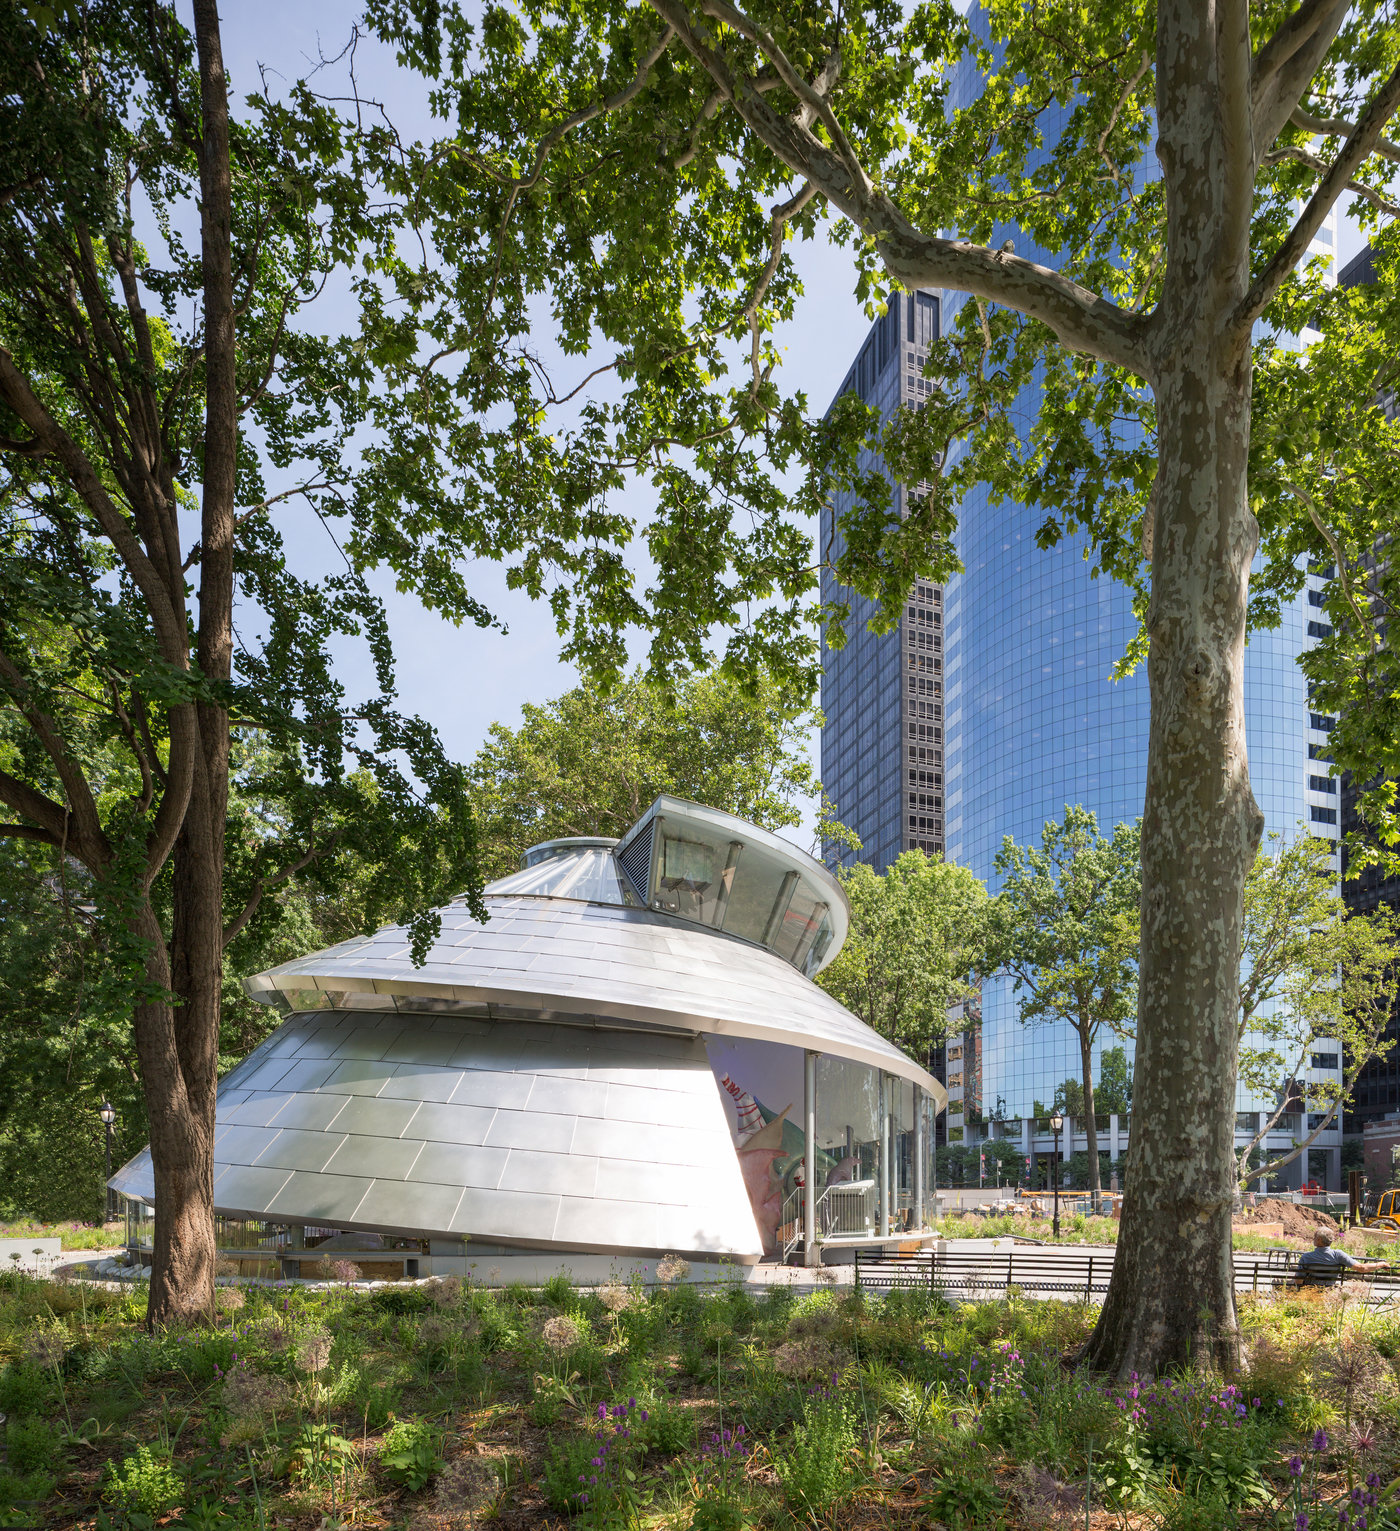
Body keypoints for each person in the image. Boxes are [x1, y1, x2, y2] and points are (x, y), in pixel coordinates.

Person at [1296, 1229, 1391, 1282]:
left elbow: (1298, 1280)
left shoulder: (1306, 1257)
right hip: (1330, 1291)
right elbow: (1361, 1268)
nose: (1313, 1239)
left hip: (1311, 1292)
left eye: (1315, 1237)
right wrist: (1382, 1264)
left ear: (1319, 1239)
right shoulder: (1338, 1254)